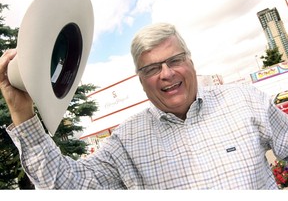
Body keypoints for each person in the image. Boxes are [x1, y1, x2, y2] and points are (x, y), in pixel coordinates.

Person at [0, 23, 288, 189]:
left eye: (175, 60)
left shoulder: (246, 101)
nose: (167, 73)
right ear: (141, 80)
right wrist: (22, 113)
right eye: (151, 68)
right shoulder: (126, 142)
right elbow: (66, 185)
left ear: (190, 60)